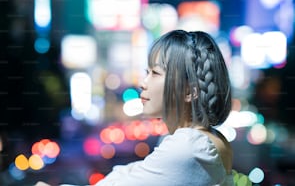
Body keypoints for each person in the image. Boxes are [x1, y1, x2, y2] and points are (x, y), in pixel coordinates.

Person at [37, 29, 234, 186]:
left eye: (155, 73)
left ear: (189, 92)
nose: (143, 83)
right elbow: (129, 173)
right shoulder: (204, 139)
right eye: (146, 72)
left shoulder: (189, 147)